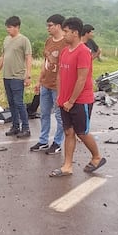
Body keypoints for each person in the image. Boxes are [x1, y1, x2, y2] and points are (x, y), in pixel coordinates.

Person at [49, 17, 105, 177]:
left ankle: (96, 157)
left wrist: (71, 100)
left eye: (66, 32)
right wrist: (60, 97)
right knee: (68, 132)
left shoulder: (83, 52)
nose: (64, 35)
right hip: (65, 100)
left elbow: (82, 78)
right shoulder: (65, 51)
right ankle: (67, 166)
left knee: (82, 132)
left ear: (75, 33)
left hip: (80, 101)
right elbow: (60, 75)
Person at [30, 15, 65, 155]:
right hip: (46, 84)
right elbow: (45, 63)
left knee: (59, 115)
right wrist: (39, 81)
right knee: (44, 113)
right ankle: (43, 141)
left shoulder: (65, 43)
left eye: (50, 25)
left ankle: (57, 142)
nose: (48, 28)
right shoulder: (48, 41)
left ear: (58, 26)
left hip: (58, 86)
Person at [0, 16, 33, 138]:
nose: (8, 29)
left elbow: (28, 57)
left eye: (10, 27)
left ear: (17, 27)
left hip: (17, 76)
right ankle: (15, 126)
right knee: (11, 102)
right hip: (7, 75)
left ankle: (26, 127)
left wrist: (28, 75)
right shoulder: (6, 40)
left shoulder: (24, 40)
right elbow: (3, 56)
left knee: (18, 102)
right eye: (7, 27)